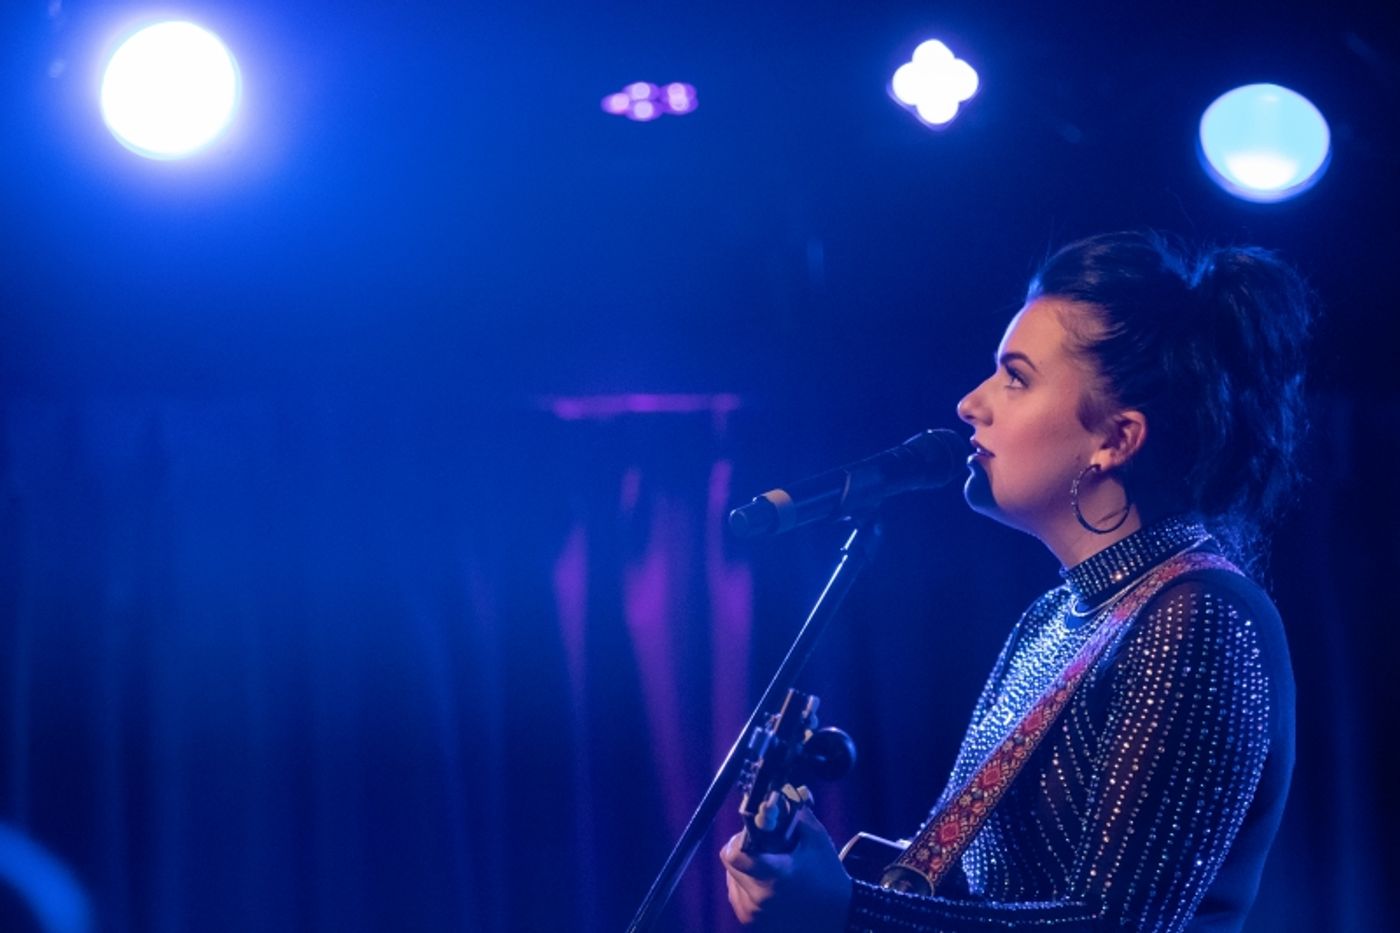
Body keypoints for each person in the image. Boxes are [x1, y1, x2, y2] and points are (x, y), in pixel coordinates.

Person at [720, 230, 1313, 932]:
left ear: (1116, 439)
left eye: (1016, 376)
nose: (972, 403)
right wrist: (831, 881)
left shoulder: (1201, 615)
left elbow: (1114, 927)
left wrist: (851, 909)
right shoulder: (1055, 617)